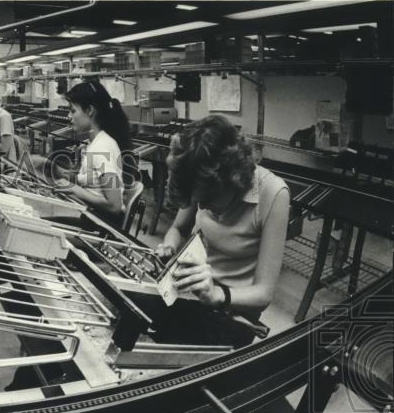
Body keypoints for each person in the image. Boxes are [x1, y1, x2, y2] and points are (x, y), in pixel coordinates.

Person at [149, 114, 290, 347]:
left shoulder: (274, 194)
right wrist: (170, 246)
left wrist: (216, 295)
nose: (201, 207)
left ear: (232, 180)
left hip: (232, 310)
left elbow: (264, 293)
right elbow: (177, 227)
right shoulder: (202, 178)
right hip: (193, 292)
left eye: (207, 200)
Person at [49, 80, 133, 226]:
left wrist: (73, 189)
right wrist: (52, 168)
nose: (69, 116)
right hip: (91, 216)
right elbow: (90, 181)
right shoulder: (95, 143)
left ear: (90, 111)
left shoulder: (103, 147)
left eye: (73, 110)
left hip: (100, 226)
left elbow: (114, 206)